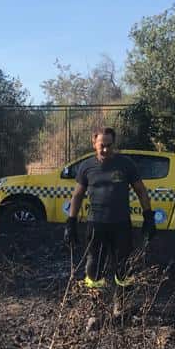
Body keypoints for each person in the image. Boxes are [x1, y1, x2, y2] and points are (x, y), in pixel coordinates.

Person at [64, 127, 156, 299]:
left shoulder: (126, 164)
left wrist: (148, 217)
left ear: (114, 144)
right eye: (102, 145)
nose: (106, 149)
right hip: (96, 225)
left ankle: (120, 306)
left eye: (109, 145)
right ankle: (95, 308)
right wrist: (71, 222)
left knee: (124, 268)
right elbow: (77, 195)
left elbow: (141, 191)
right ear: (94, 144)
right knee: (94, 267)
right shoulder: (86, 167)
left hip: (121, 225)